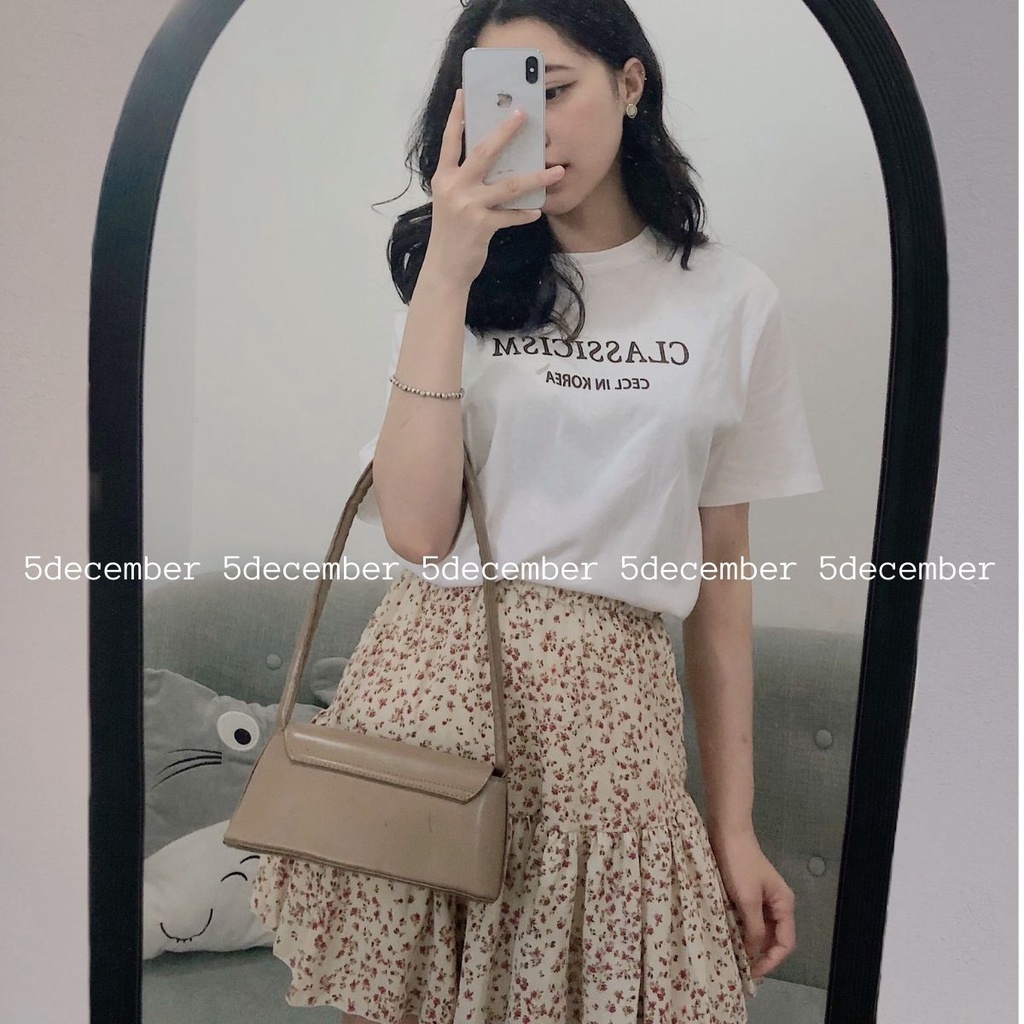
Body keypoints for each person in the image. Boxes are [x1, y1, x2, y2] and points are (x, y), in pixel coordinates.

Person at [251, 1, 823, 1021]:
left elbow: (723, 578)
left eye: (552, 91)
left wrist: (732, 827)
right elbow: (418, 531)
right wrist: (447, 272)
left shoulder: (732, 301)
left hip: (613, 732)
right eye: (499, 100)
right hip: (424, 712)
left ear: (631, 84)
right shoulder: (456, 281)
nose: (527, 126)